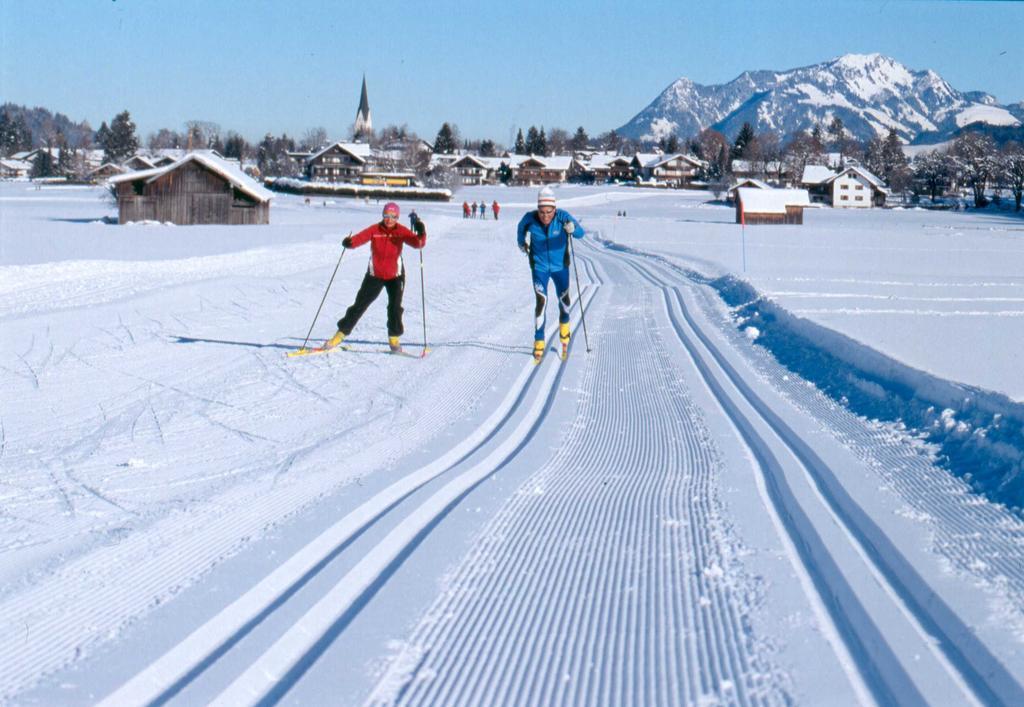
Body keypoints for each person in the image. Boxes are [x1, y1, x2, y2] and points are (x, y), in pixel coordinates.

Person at [323, 202, 426, 353]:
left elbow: (418, 244)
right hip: (375, 274)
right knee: (359, 305)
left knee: (395, 307)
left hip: (395, 276)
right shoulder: (375, 229)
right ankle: (339, 335)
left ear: (397, 217)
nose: (389, 219)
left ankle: (394, 339)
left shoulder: (401, 231)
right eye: (386, 216)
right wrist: (349, 243)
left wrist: (421, 231)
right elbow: (360, 238)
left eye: (393, 217)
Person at [517, 186, 585, 362]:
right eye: (541, 211)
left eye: (548, 211)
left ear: (554, 209)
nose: (545, 216)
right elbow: (520, 228)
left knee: (564, 301)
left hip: (560, 267)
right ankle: (539, 341)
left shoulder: (562, 217)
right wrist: (521, 243)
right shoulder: (529, 219)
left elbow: (580, 233)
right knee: (541, 301)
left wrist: (572, 229)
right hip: (539, 268)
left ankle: (564, 330)